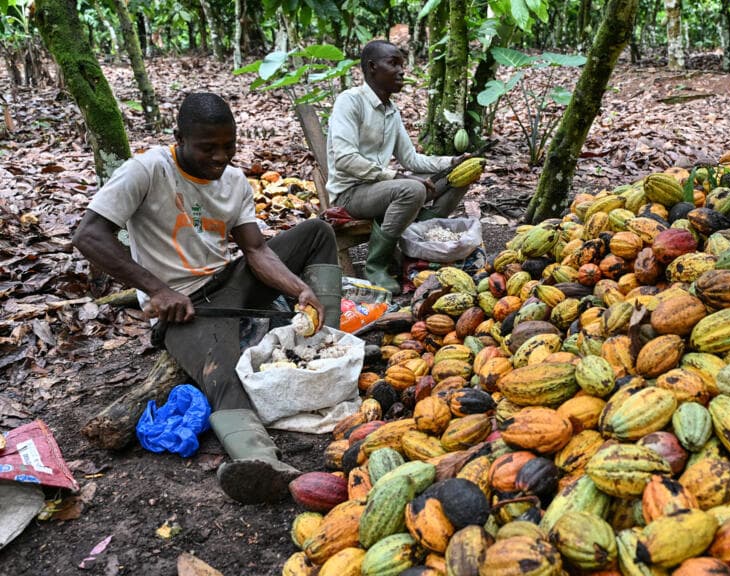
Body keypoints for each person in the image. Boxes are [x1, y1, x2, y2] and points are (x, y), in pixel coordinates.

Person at [73, 93, 344, 504]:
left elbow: (256, 251)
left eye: (229, 146)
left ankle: (331, 344)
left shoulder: (234, 181)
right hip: (185, 308)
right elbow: (88, 234)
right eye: (208, 147)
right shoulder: (147, 170)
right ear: (179, 137)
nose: (220, 157)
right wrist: (158, 290)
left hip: (229, 283)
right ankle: (262, 463)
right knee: (224, 375)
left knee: (317, 233)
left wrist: (298, 289)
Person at [326, 39, 471, 293]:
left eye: (402, 65)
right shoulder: (350, 102)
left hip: (381, 188)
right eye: (393, 63)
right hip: (350, 194)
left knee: (459, 177)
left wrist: (451, 162)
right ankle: (377, 266)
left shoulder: (392, 111)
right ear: (372, 67)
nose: (402, 71)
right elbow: (345, 159)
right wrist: (398, 176)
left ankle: (416, 244)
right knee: (412, 189)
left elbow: (411, 159)